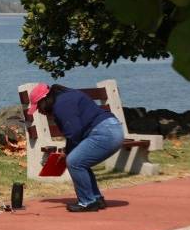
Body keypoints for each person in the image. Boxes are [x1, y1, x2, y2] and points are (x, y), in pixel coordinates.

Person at [27, 83, 124, 212]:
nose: (39, 111)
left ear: (45, 100)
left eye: (39, 106)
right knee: (80, 161)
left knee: (74, 162)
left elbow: (75, 132)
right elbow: (75, 132)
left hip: (105, 133)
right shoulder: (65, 97)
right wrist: (67, 150)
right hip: (111, 128)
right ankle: (96, 198)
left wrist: (67, 152)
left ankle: (87, 202)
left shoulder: (61, 105)